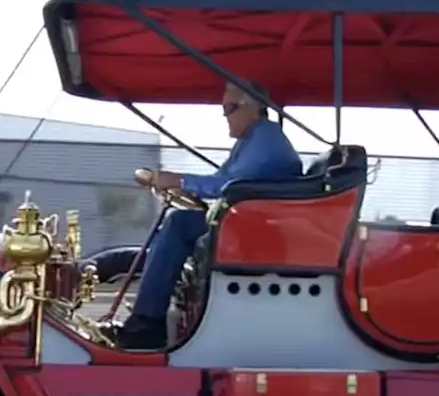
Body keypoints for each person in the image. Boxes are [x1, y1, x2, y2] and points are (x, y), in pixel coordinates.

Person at [117, 80, 303, 350]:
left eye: (230, 108)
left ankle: (147, 322)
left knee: (179, 224)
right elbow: (223, 181)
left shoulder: (265, 139)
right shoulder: (254, 139)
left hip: (258, 228)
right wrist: (180, 184)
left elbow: (225, 186)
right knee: (179, 223)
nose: (225, 115)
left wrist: (178, 180)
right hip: (252, 223)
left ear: (256, 107)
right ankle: (152, 314)